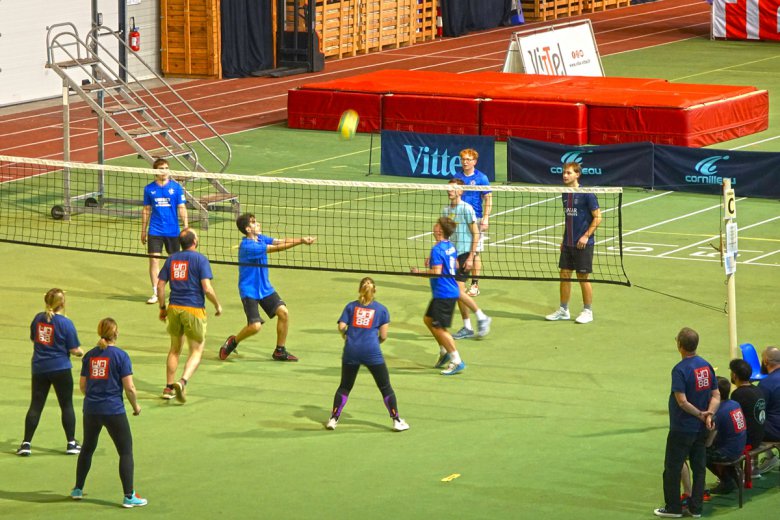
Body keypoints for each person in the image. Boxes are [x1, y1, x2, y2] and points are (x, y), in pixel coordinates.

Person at [219, 213, 316, 362]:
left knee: (283, 313)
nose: (258, 223)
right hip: (249, 290)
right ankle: (233, 341)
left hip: (264, 288)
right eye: (253, 222)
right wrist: (301, 242)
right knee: (255, 327)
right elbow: (276, 248)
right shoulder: (249, 246)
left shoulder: (260, 238)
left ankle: (279, 351)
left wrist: (301, 239)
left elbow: (280, 241)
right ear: (247, 229)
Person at [70, 318, 146, 508]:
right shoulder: (121, 356)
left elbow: (83, 386)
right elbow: (129, 388)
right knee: (125, 451)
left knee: (87, 448)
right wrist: (136, 407)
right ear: (116, 333)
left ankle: (78, 489)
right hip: (113, 410)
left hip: (91, 410)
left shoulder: (89, 356)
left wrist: (95, 398)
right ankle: (129, 496)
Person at [325, 277, 409, 432]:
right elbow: (383, 336)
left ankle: (333, 419)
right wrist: (374, 343)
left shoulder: (351, 306)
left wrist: (346, 336)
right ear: (374, 290)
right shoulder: (382, 310)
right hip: (372, 352)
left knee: (345, 386)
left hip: (351, 351)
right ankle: (396, 420)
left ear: (359, 290)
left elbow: (341, 326)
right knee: (385, 387)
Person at [654, 327, 719, 519]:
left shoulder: (680, 369)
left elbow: (682, 402)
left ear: (680, 345)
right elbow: (716, 395)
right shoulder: (706, 366)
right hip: (701, 429)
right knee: (699, 468)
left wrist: (700, 414)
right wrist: (709, 415)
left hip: (682, 428)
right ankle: (696, 508)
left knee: (673, 467)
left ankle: (673, 508)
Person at [156, 227, 223, 403]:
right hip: (193, 309)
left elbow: (160, 285)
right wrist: (217, 305)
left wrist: (162, 308)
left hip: (174, 308)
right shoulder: (200, 259)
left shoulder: (171, 259)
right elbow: (207, 288)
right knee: (197, 350)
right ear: (194, 241)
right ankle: (182, 381)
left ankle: (168, 387)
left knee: (174, 349)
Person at [17, 288, 84, 457]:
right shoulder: (66, 323)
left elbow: (34, 338)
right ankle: (71, 443)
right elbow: (74, 349)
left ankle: (26, 443)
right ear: (62, 303)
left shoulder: (38, 319)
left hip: (39, 368)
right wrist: (80, 353)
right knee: (66, 405)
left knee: (36, 405)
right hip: (60, 367)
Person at [545, 162, 601, 324]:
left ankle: (588, 311)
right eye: (564, 172)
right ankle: (563, 310)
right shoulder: (565, 194)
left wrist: (586, 236)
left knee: (583, 277)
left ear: (577, 174)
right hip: (568, 243)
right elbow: (568, 219)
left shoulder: (587, 194)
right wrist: (564, 240)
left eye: (569, 173)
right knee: (564, 274)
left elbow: (598, 217)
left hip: (583, 243)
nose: (565, 175)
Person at [411, 217, 465, 376]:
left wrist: (418, 273)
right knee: (428, 320)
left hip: (444, 293)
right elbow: (455, 265)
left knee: (439, 327)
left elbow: (436, 272)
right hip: (446, 291)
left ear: (440, 230)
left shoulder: (437, 250)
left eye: (436, 225)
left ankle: (456, 360)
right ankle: (444, 350)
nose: (434, 226)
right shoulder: (450, 246)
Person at [440, 179, 491, 340]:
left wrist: (471, 257)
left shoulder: (466, 208)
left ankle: (480, 317)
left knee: (457, 291)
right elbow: (444, 235)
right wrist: (436, 253)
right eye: (449, 188)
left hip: (464, 254)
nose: (450, 191)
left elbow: (476, 234)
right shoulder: (446, 210)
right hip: (451, 255)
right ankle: (468, 326)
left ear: (461, 191)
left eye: (453, 189)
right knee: (455, 292)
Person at [680, 376, 746, 497]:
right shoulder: (734, 404)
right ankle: (728, 478)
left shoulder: (717, 413)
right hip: (740, 446)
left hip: (728, 452)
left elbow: (708, 443)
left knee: (696, 453)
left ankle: (701, 490)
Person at [141, 158, 188, 304]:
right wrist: (143, 230)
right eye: (161, 168)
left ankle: (178, 291)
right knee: (154, 260)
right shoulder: (149, 189)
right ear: (156, 171)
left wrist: (186, 227)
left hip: (173, 231)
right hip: (155, 230)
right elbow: (146, 209)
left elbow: (182, 207)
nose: (165, 171)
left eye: (167, 168)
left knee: (175, 262)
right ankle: (156, 292)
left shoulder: (176, 188)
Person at [453, 148, 492, 297]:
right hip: (459, 218)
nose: (465, 162)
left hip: (476, 219)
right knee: (458, 250)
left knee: (475, 253)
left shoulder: (482, 178)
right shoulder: (457, 177)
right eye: (463, 159)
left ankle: (475, 284)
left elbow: (488, 199)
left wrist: (486, 218)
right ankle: (459, 282)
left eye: (468, 159)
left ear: (474, 162)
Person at [729, 358, 766, 478]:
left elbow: (735, 421)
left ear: (735, 375)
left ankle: (731, 476)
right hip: (759, 436)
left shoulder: (738, 394)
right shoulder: (757, 389)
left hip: (749, 440)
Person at [757, 346, 780, 473]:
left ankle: (767, 459)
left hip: (775, 431)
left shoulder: (765, 384)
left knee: (749, 422)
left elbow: (758, 411)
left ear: (765, 361)